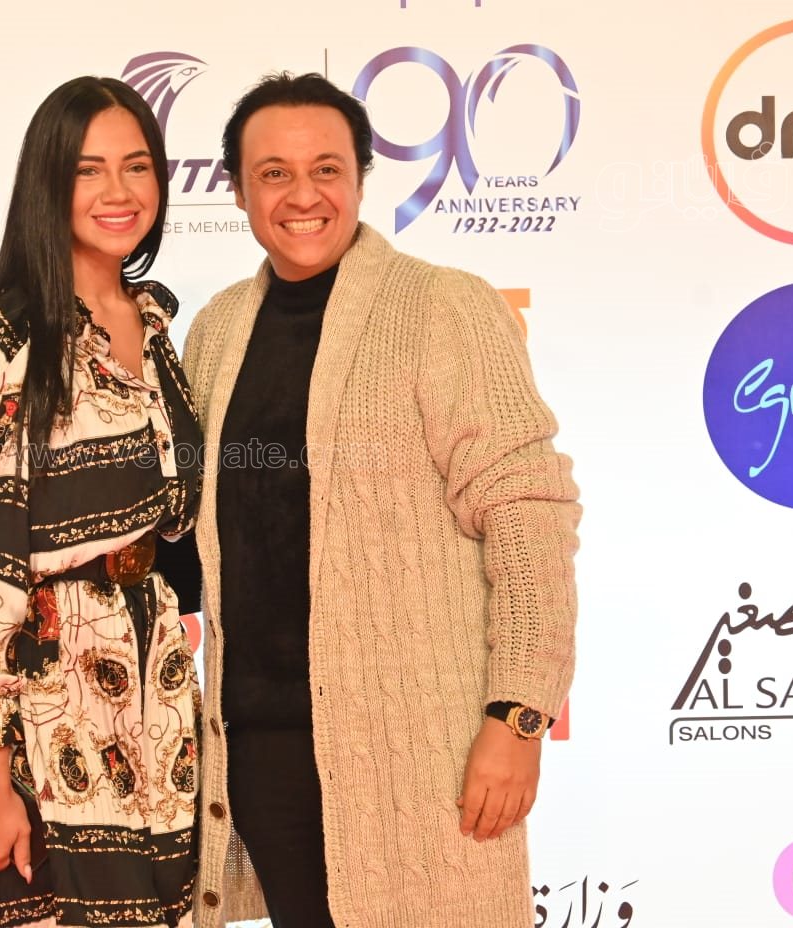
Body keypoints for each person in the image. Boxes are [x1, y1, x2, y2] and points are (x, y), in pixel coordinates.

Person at [181, 73, 581, 928]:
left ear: (360, 179)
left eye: (326, 169)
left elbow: (528, 512)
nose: (303, 196)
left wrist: (518, 716)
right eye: (274, 173)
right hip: (263, 751)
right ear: (239, 190)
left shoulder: (442, 305)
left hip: (422, 751)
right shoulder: (215, 329)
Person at [0, 76, 204, 928]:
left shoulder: (154, 326)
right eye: (87, 170)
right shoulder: (12, 337)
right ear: (47, 184)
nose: (118, 191)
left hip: (148, 689)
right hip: (36, 696)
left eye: (136, 166)